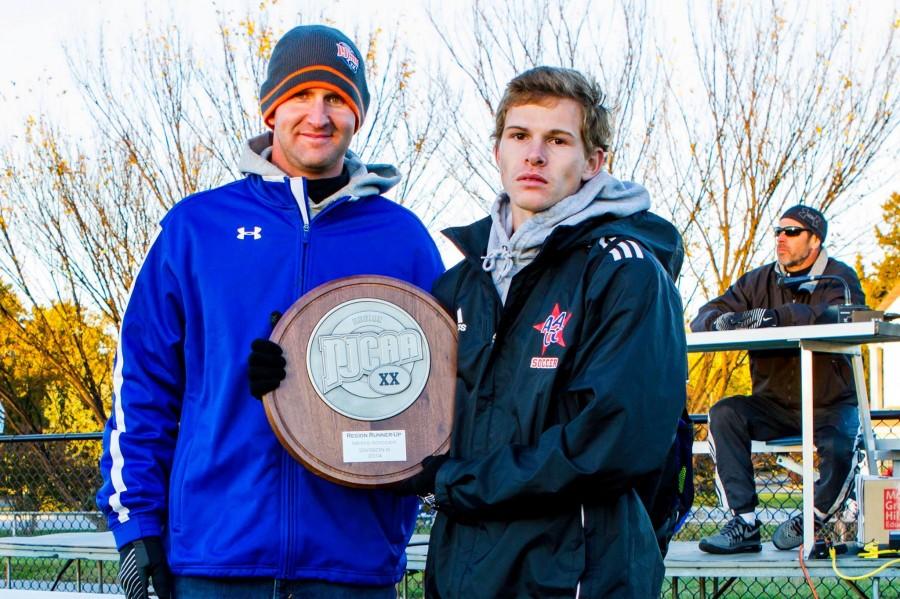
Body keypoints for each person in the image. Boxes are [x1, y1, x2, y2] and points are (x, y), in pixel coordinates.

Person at [96, 25, 444, 599]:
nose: (319, 114)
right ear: (271, 108)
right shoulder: (196, 229)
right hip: (216, 558)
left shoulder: (401, 240)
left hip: (350, 565)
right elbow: (143, 384)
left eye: (337, 98)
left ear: (357, 115)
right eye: (302, 95)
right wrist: (137, 525)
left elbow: (437, 389)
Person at [395, 66, 688, 598]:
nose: (535, 155)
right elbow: (404, 405)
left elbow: (609, 447)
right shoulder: (462, 284)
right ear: (498, 151)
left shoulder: (626, 273)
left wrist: (456, 482)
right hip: (463, 569)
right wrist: (296, 366)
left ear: (593, 161)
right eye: (519, 136)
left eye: (557, 139)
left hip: (573, 576)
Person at [691, 204, 865, 554]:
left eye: (791, 232)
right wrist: (721, 322)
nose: (781, 239)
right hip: (775, 405)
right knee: (725, 413)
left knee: (843, 442)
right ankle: (744, 522)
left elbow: (834, 315)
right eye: (778, 232)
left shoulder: (839, 280)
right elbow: (706, 314)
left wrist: (774, 318)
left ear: (814, 240)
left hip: (829, 403)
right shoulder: (757, 280)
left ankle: (813, 518)